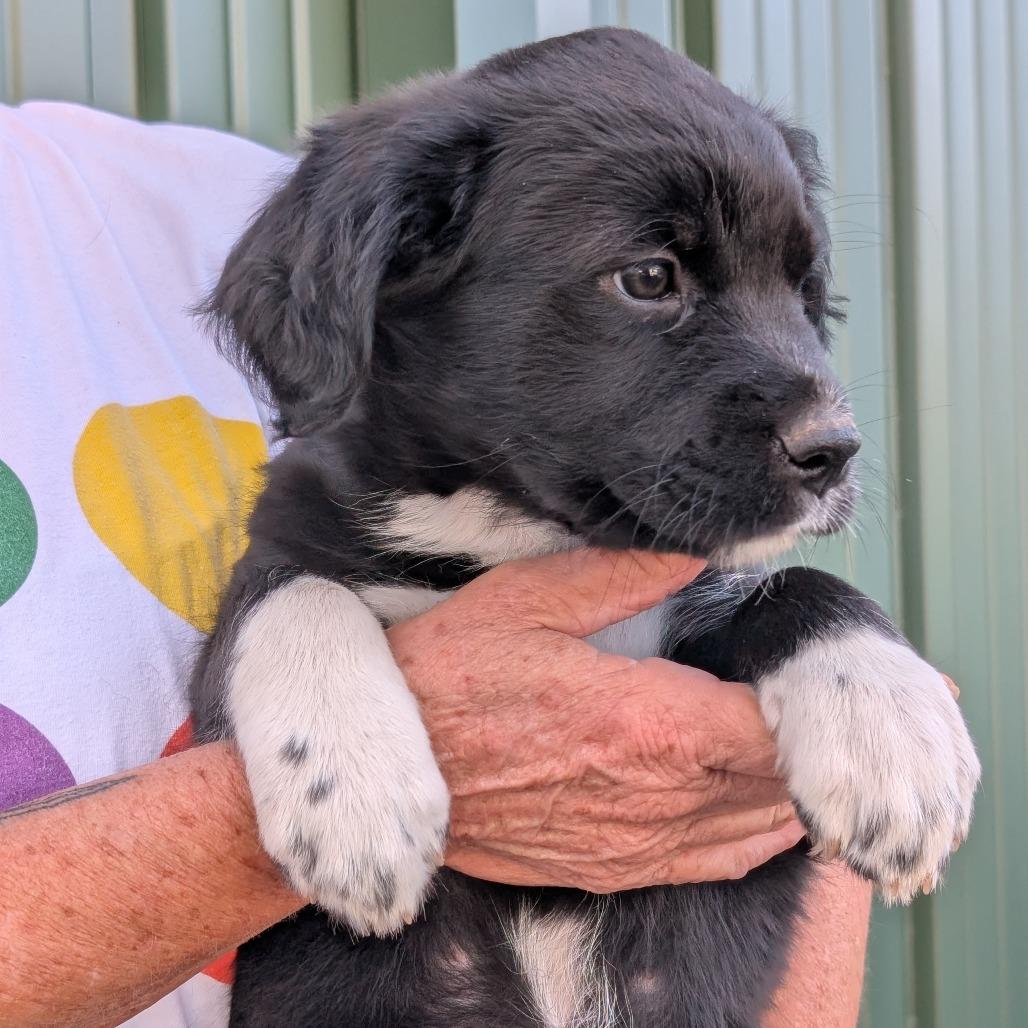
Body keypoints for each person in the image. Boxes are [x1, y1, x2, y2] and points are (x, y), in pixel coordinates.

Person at [0, 101, 877, 1027]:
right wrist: (259, 827)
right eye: (650, 278)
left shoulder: (246, 200)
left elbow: (795, 767)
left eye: (800, 289)